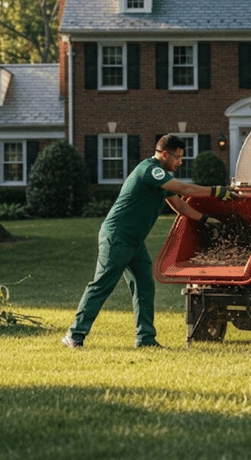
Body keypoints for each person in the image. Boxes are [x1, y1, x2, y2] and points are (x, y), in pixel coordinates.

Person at [62, 135, 235, 349]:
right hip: (117, 236)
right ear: (165, 154)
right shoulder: (150, 170)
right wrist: (215, 191)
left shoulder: (161, 179)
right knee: (102, 285)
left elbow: (180, 206)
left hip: (135, 242)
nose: (180, 162)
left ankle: (145, 339)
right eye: (178, 157)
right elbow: (184, 189)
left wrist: (206, 220)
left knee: (144, 286)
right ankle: (74, 334)